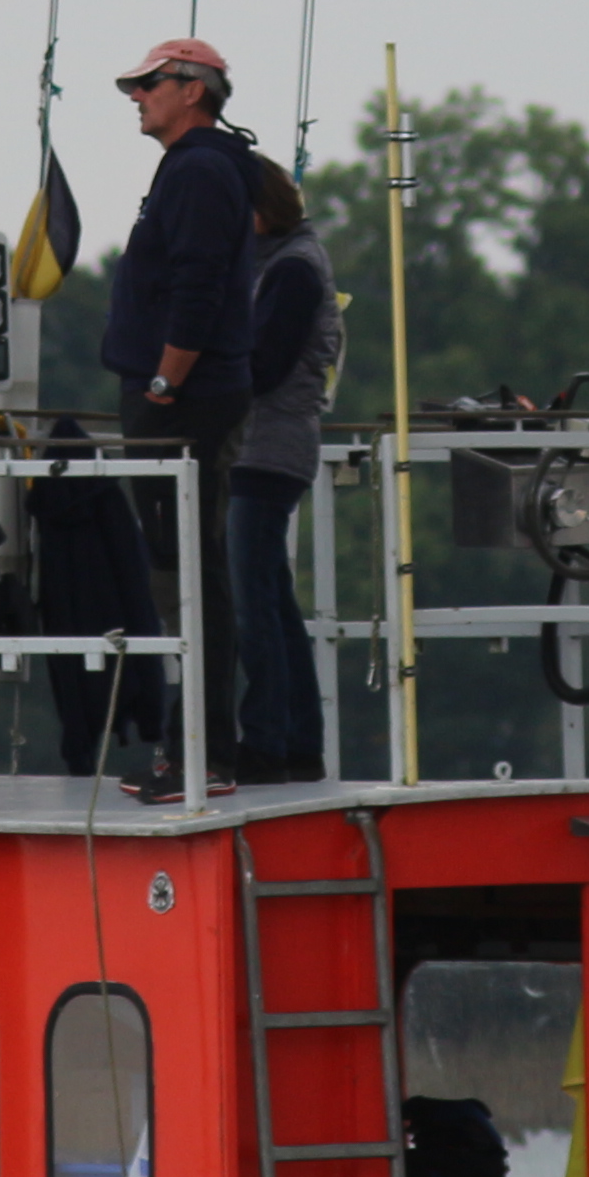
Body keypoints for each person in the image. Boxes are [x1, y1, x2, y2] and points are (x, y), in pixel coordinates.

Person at [96, 38, 256, 794]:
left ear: (192, 89)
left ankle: (203, 756)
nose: (137, 95)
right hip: (187, 394)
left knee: (185, 573)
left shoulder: (197, 170)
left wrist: (166, 379)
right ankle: (187, 748)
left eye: (148, 82)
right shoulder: (201, 166)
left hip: (183, 399)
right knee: (185, 571)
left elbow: (199, 284)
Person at [229, 155, 345, 782]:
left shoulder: (290, 269)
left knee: (253, 603)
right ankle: (299, 743)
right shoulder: (290, 262)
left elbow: (265, 365)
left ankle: (267, 743)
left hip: (265, 449)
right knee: (272, 601)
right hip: (277, 447)